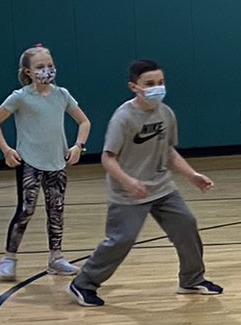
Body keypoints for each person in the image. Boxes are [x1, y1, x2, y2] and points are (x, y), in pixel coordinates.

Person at [67, 60, 219, 307]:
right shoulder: (123, 118)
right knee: (121, 240)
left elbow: (168, 151)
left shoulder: (166, 114)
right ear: (134, 87)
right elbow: (108, 158)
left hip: (161, 187)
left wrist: (192, 175)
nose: (157, 88)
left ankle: (191, 280)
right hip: (129, 192)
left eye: (160, 83)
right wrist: (128, 182)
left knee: (186, 225)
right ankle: (83, 283)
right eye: (150, 84)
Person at [0, 44, 89, 281]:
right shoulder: (20, 97)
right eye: (40, 67)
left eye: (50, 65)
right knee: (26, 210)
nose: (47, 70)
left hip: (57, 163)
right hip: (30, 162)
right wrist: (7, 150)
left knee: (56, 210)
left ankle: (56, 258)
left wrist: (78, 146)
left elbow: (84, 122)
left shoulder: (62, 95)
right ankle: (8, 258)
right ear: (28, 72)